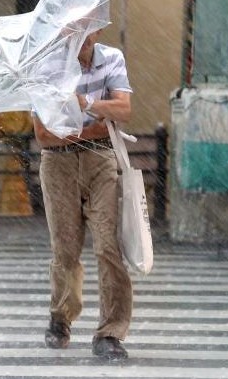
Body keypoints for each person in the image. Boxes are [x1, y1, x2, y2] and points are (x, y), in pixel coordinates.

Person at [32, 29, 133, 361]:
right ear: (62, 33)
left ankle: (110, 332)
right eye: (73, 29)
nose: (82, 35)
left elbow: (123, 108)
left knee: (108, 245)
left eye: (88, 27)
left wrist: (85, 103)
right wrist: (92, 128)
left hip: (101, 160)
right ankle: (61, 317)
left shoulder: (112, 59)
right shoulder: (46, 68)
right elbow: (45, 136)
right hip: (58, 165)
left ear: (98, 28)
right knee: (65, 247)